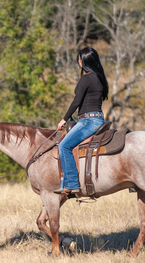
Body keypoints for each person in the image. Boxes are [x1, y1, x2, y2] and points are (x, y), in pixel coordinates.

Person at [54, 46, 109, 194]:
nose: (78, 60)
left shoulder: (86, 78)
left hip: (88, 121)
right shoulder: (100, 78)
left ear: (83, 61)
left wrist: (64, 119)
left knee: (64, 146)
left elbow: (76, 101)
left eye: (79, 58)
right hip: (98, 119)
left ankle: (71, 184)